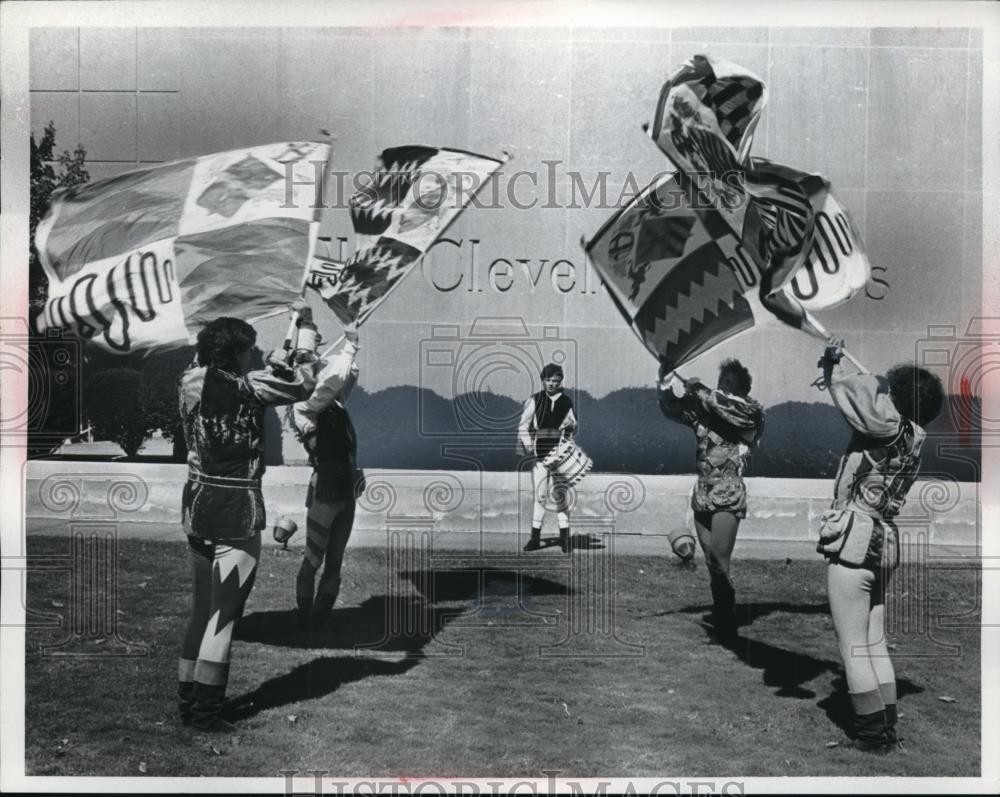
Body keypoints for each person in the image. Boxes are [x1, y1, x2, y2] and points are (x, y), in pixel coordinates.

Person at [177, 313, 316, 733]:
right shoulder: (250, 385)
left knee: (202, 612)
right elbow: (304, 384)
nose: (251, 356)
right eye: (248, 350)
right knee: (224, 617)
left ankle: (187, 703)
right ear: (237, 352)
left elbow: (219, 378)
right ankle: (206, 713)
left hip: (196, 502)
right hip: (235, 506)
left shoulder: (188, 380)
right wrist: (304, 338)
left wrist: (273, 365)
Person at [817, 340, 944, 753]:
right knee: (874, 641)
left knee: (853, 647)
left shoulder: (887, 425)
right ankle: (886, 728)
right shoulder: (914, 439)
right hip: (885, 538)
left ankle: (872, 738)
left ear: (897, 400)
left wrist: (833, 365)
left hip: (857, 539)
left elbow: (858, 398)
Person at [657, 358, 764, 641]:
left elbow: (730, 410)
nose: (722, 389)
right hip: (702, 494)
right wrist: (665, 383)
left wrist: (701, 390)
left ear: (741, 390)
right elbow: (672, 409)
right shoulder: (705, 411)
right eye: (721, 383)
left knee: (718, 559)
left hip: (728, 493)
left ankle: (726, 622)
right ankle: (723, 613)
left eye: (729, 384)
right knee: (711, 564)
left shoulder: (750, 412)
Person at [291, 323, 362, 632]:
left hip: (345, 487)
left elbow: (349, 374)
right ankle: (305, 619)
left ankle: (320, 622)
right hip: (325, 490)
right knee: (313, 559)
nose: (309, 367)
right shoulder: (303, 406)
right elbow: (333, 382)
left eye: (311, 360)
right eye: (302, 362)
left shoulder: (334, 402)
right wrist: (350, 345)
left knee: (335, 558)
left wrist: (347, 346)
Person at [518, 362, 578, 553]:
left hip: (560, 454)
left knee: (560, 495)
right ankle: (535, 539)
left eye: (555, 380)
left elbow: (573, 426)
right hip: (540, 454)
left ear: (560, 381)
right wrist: (528, 445)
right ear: (543, 380)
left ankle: (565, 539)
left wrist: (571, 426)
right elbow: (523, 425)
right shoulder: (535, 400)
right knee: (540, 496)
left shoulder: (566, 401)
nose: (552, 384)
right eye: (548, 380)